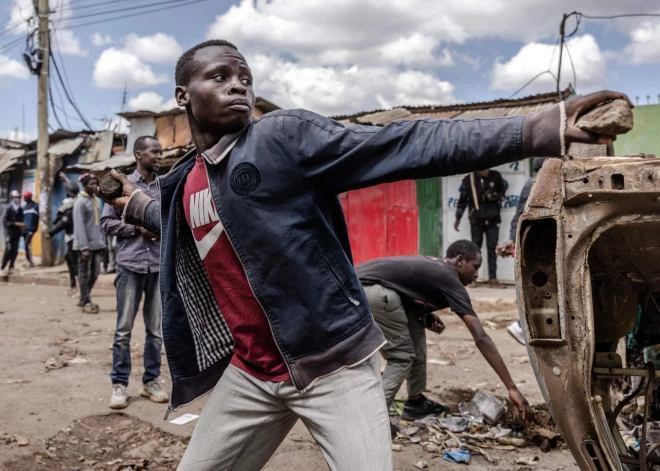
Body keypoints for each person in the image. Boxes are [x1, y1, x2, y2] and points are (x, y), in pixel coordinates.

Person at [99, 38, 629, 471]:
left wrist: (536, 128)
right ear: (181, 96)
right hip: (253, 373)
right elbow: (177, 223)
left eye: (244, 77)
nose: (238, 83)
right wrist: (124, 199)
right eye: (219, 76)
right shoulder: (186, 181)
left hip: (336, 366)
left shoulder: (282, 137)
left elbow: (402, 144)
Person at [357, 241, 531, 434]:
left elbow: (405, 287)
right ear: (459, 261)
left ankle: (415, 403)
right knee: (402, 355)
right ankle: (374, 421)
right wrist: (511, 387)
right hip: (369, 289)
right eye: (475, 267)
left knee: (416, 334)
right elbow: (481, 337)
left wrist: (426, 313)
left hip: (368, 286)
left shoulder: (438, 270)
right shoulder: (450, 279)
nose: (476, 274)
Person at [101, 136, 168, 410]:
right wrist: (137, 227)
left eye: (161, 152)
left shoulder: (164, 186)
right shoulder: (120, 185)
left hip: (157, 267)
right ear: (139, 154)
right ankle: (119, 385)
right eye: (155, 152)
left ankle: (151, 381)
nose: (160, 156)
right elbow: (106, 223)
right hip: (130, 266)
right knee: (123, 330)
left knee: (155, 332)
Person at [500, 157, 551, 345]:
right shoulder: (536, 184)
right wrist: (513, 240)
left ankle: (527, 327)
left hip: (537, 246)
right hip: (536, 247)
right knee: (537, 288)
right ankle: (522, 326)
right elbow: (520, 215)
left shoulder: (536, 182)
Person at [454, 168, 506, 287]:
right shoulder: (468, 180)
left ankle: (492, 278)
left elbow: (503, 194)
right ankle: (473, 278)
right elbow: (462, 201)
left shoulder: (496, 176)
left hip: (493, 218)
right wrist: (458, 218)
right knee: (475, 250)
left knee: (492, 248)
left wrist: (495, 196)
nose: (485, 170)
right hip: (476, 219)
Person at [73, 173, 105, 314]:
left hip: (97, 244)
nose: (94, 186)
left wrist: (102, 243)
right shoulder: (80, 202)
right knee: (84, 273)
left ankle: (84, 296)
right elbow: (79, 226)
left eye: (95, 183)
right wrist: (84, 247)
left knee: (96, 272)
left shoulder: (97, 200)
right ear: (84, 185)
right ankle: (86, 300)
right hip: (84, 245)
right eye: (91, 184)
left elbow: (100, 224)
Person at [47, 181, 80, 297]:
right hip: (76, 238)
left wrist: (51, 233)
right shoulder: (78, 202)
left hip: (73, 238)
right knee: (71, 260)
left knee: (74, 263)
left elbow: (62, 223)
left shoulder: (70, 206)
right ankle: (75, 286)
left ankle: (76, 287)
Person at [1, 190, 24, 276]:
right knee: (9, 249)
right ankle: (2, 267)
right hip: (9, 233)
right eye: (16, 197)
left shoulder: (20, 209)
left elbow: (21, 220)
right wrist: (15, 223)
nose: (17, 199)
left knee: (15, 250)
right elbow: (4, 221)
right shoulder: (8, 208)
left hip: (17, 233)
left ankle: (11, 266)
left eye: (18, 197)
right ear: (12, 198)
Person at [21, 191, 39, 268]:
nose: (24, 198)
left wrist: (35, 228)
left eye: (25, 197)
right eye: (24, 197)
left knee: (27, 244)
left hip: (31, 229)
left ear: (29, 197)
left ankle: (30, 261)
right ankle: (28, 260)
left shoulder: (36, 206)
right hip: (24, 230)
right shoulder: (24, 208)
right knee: (26, 245)